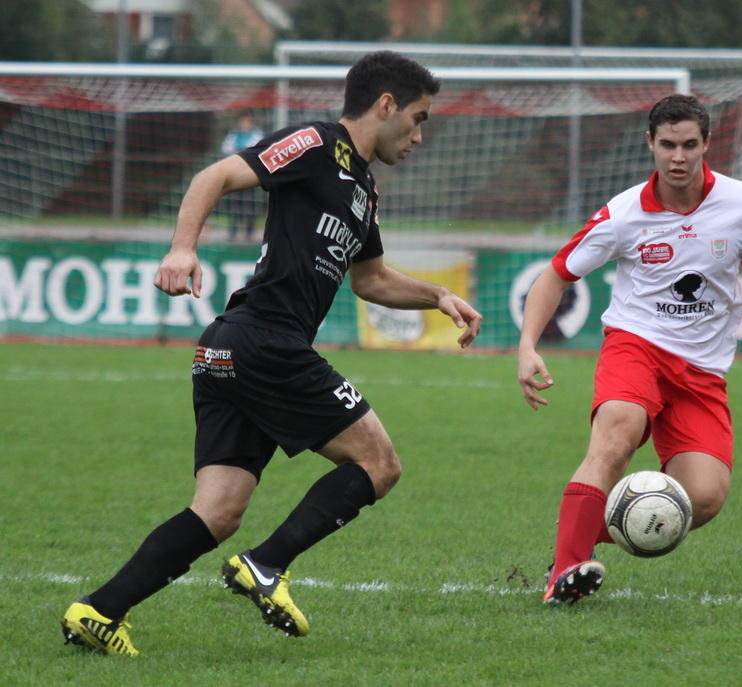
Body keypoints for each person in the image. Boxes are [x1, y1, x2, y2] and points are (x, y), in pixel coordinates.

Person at [61, 51, 482, 656]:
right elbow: (213, 177)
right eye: (418, 119)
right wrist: (182, 249)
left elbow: (371, 280)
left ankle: (98, 611)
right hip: (266, 341)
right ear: (386, 105)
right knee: (379, 464)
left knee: (217, 512)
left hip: (231, 351)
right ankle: (266, 565)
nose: (418, 136)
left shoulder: (364, 188)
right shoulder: (316, 143)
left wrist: (438, 295)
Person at [517, 94, 742, 605]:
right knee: (616, 439)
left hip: (703, 370)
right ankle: (563, 575)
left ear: (707, 144)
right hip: (636, 347)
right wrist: (527, 345)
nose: (678, 157)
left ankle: (582, 536)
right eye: (668, 145)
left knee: (705, 498)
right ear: (650, 143)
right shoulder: (623, 214)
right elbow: (556, 275)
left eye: (689, 145)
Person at [220, 111, 265, 241]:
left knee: (249, 204)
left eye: (247, 121)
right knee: (235, 204)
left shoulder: (257, 134)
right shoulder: (234, 135)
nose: (245, 124)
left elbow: (255, 149)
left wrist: (240, 151)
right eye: (243, 121)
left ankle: (249, 232)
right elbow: (226, 148)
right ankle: (233, 232)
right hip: (235, 174)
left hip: (250, 174)